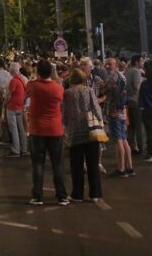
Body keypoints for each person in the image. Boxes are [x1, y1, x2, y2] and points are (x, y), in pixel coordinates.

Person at [27, 60, 69, 206]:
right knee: (57, 164)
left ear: (38, 71)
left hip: (37, 129)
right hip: (55, 129)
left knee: (38, 164)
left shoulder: (32, 85)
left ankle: (38, 196)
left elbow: (27, 92)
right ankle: (62, 195)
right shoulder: (58, 88)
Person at [63, 68, 105, 203]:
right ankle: (95, 194)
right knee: (93, 163)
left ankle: (77, 194)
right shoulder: (89, 91)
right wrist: (101, 123)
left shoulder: (67, 93)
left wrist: (65, 126)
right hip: (90, 130)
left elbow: (65, 114)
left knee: (76, 165)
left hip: (75, 132)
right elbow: (96, 109)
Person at [103, 57, 133, 177]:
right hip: (122, 110)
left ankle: (121, 169)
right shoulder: (123, 76)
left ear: (116, 65)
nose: (107, 66)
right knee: (124, 139)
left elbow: (105, 91)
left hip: (114, 110)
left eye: (109, 64)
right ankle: (129, 167)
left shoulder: (112, 77)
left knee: (118, 141)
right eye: (106, 64)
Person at [4, 62, 28, 157]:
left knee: (13, 129)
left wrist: (5, 103)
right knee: (21, 129)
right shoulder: (21, 79)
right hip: (20, 106)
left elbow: (9, 95)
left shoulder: (13, 80)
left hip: (12, 107)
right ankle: (23, 148)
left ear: (12, 70)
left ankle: (16, 150)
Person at [126, 55, 145, 155]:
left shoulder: (127, 71)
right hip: (136, 100)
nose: (143, 63)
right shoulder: (137, 72)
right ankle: (142, 148)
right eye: (142, 61)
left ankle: (131, 147)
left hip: (128, 100)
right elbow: (137, 86)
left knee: (131, 127)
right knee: (139, 126)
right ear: (137, 62)